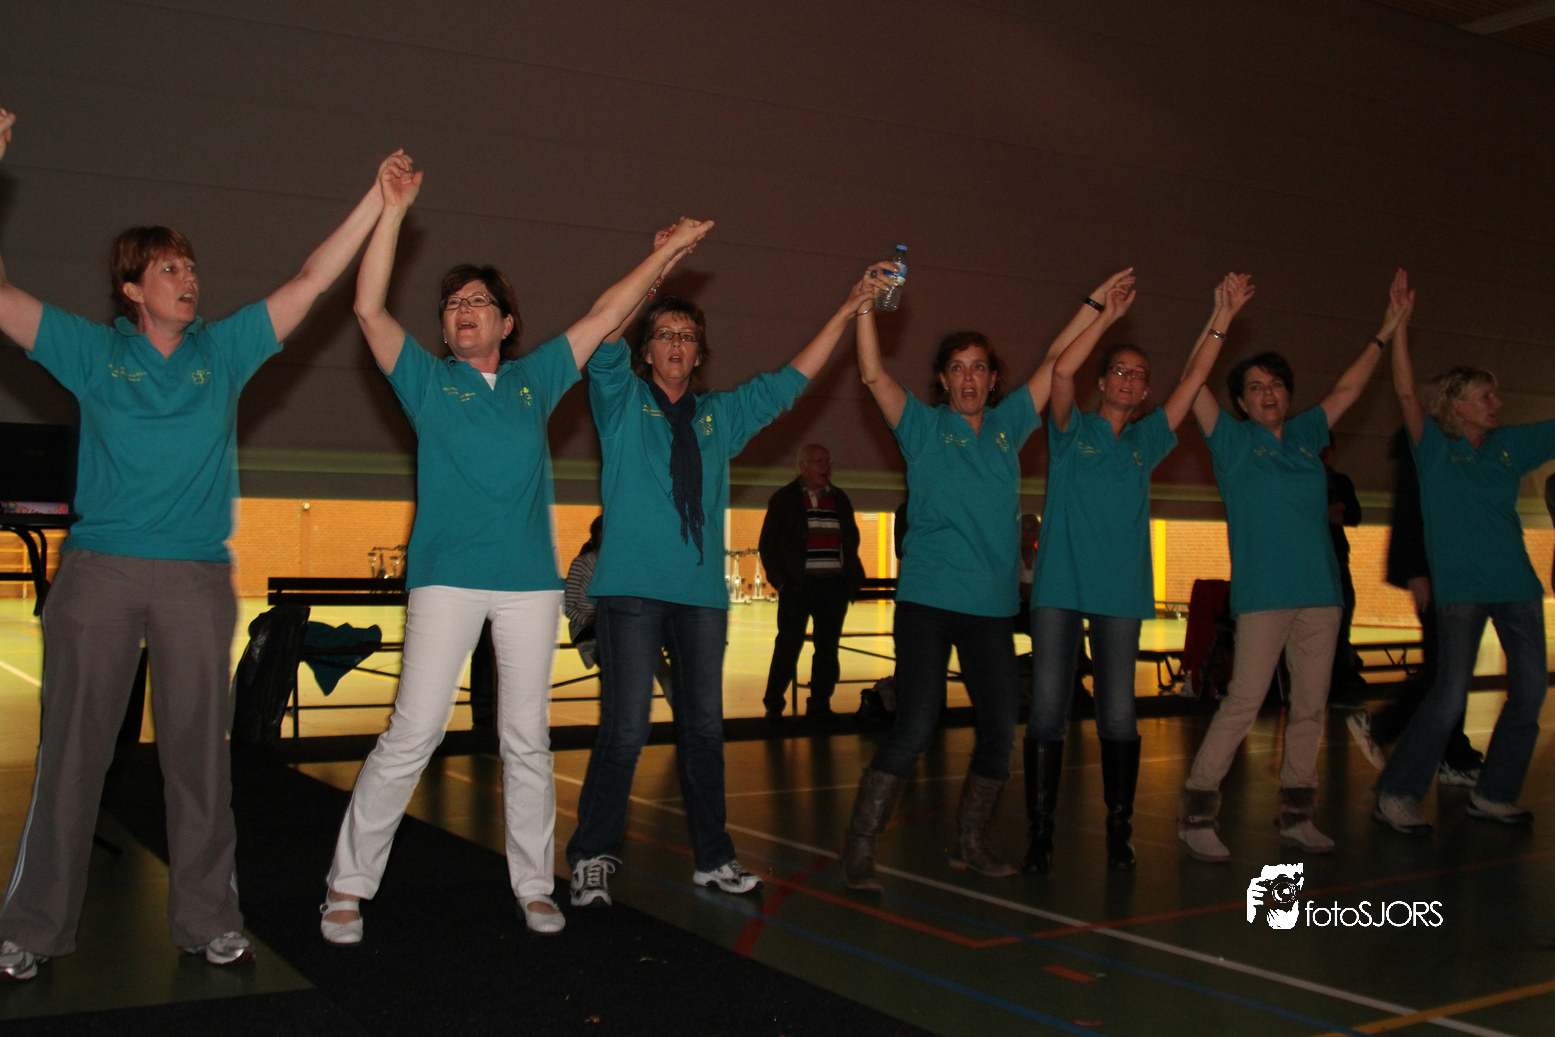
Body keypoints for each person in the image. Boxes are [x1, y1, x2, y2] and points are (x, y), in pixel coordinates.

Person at [0, 106, 396, 981]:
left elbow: (312, 279)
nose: (188, 278)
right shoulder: (90, 351)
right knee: (73, 760)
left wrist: (379, 200)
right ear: (132, 289)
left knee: (198, 764)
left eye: (190, 265)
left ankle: (210, 919)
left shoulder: (226, 348)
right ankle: (32, 927)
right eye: (168, 268)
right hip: (99, 575)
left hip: (194, 580)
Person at [318, 160, 713, 941]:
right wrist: (392, 210)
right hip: (446, 581)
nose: (462, 311)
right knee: (413, 732)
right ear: (444, 330)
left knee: (526, 739)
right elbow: (366, 307)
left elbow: (606, 314)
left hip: (529, 585)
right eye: (452, 304)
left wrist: (665, 255)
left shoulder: (535, 379)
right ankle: (346, 885)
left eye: (478, 302)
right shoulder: (427, 381)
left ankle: (534, 884)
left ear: (506, 323)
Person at [565, 267, 876, 908]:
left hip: (701, 601)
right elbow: (604, 326)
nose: (676, 345)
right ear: (645, 350)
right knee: (624, 731)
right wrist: (658, 270)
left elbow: (790, 382)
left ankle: (714, 858)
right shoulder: (620, 399)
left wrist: (848, 309)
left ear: (700, 354)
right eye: (664, 335)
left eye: (687, 336)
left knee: (704, 732)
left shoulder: (719, 417)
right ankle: (592, 855)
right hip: (630, 595)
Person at [839, 265, 1091, 892]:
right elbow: (872, 375)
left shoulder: (1009, 427)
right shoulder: (923, 428)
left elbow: (1057, 359)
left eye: (979, 367)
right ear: (944, 381)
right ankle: (859, 849)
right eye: (958, 368)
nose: (970, 378)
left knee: (999, 733)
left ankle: (970, 844)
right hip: (927, 604)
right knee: (916, 726)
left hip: (991, 611)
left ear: (993, 378)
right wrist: (865, 304)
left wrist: (1099, 308)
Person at [1024, 271, 1251, 874]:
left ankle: (1118, 832)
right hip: (1059, 590)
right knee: (1047, 712)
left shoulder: (1147, 440)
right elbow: (1061, 374)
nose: (1129, 379)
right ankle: (1041, 835)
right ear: (1103, 382)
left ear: (1146, 390)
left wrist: (1222, 314)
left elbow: (1194, 379)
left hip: (1121, 595)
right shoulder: (1071, 431)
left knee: (1118, 716)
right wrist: (1106, 315)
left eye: (1139, 375)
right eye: (1119, 371)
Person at [1177, 271, 1408, 862]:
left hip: (1321, 595)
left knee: (1309, 707)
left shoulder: (1306, 434)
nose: (1268, 393)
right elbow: (1191, 381)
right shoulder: (1231, 443)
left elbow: (1350, 387)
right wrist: (1222, 314)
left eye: (1276, 384)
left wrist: (1386, 330)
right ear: (1239, 402)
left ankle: (1298, 816)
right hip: (1264, 596)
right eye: (1255, 387)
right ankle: (1197, 814)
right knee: (1243, 703)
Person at [1373, 272, 1552, 834]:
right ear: (1457, 404)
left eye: (1495, 395)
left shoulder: (1509, 445)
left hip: (1518, 589)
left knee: (1529, 693)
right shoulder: (1434, 448)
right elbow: (1406, 392)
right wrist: (1400, 325)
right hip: (1461, 593)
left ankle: (1494, 794)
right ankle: (1396, 792)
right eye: (1485, 396)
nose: (1497, 403)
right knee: (1448, 696)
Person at [1346, 425, 1484, 782]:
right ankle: (1387, 727)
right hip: (1436, 573)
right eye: (1485, 397)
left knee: (1450, 668)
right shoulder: (1427, 445)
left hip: (1452, 572)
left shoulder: (1451, 447)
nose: (1495, 403)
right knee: (1446, 669)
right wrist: (1417, 571)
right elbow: (1411, 511)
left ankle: (1450, 752)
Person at [758, 443, 866, 723]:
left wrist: (848, 580)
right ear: (802, 466)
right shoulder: (784, 499)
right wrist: (781, 582)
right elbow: (768, 545)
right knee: (788, 647)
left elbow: (851, 539)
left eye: (827, 462)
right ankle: (773, 705)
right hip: (798, 587)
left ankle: (820, 704)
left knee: (827, 649)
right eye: (818, 461)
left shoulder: (839, 499)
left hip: (834, 587)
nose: (824, 467)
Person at [1322, 441, 1365, 709]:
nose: (1323, 453)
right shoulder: (1302, 478)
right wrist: (1335, 509)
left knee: (1341, 619)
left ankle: (1339, 686)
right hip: (1312, 559)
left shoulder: (1340, 481)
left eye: (1327, 448)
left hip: (1337, 558)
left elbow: (1354, 515)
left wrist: (1335, 509)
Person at [565, 516, 606, 668]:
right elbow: (568, 605)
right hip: (584, 627)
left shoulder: (617, 565)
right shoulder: (581, 563)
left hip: (607, 624)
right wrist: (586, 620)